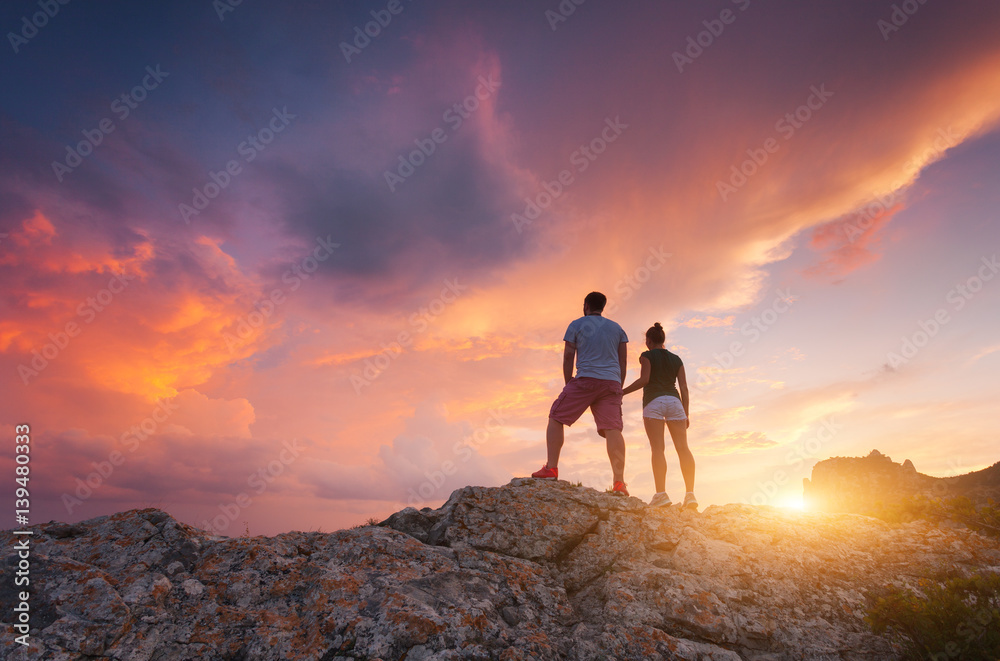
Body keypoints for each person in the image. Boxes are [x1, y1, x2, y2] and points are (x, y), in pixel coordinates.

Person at [532, 292, 630, 496]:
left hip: (585, 379)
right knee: (613, 429)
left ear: (585, 305)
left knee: (556, 416)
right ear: (603, 306)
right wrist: (618, 387)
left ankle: (551, 468)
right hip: (611, 383)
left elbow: (569, 356)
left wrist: (569, 383)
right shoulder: (617, 328)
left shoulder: (577, 324)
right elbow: (623, 362)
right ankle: (619, 482)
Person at [622, 322, 697, 508]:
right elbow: (684, 388)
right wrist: (686, 413)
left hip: (654, 402)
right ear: (663, 339)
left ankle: (662, 494)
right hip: (675, 402)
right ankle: (690, 495)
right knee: (683, 449)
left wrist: (621, 392)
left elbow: (645, 380)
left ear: (648, 341)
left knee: (658, 449)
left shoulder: (646, 356)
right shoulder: (677, 359)